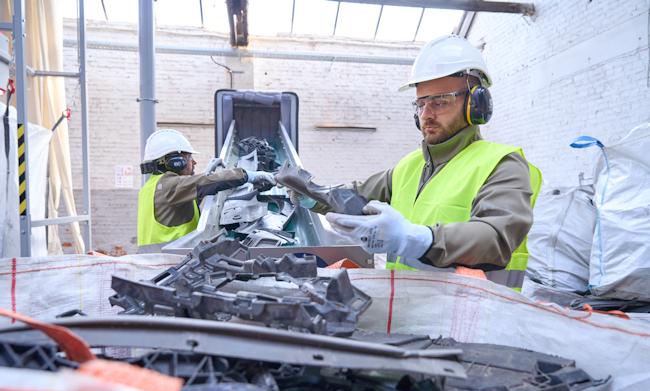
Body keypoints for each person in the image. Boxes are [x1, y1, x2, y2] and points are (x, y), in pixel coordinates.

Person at [293, 35, 541, 289]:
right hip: (406, 314)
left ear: (476, 104)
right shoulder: (410, 166)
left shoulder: (502, 164)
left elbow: (495, 237)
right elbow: (354, 197)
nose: (426, 115)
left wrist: (416, 239)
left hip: (473, 320)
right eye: (421, 103)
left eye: (440, 102)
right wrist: (309, 193)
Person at [137, 129, 275, 252]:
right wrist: (248, 175)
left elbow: (190, 198)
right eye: (189, 157)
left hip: (154, 259)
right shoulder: (168, 185)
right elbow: (201, 183)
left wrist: (208, 172)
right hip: (170, 259)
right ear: (176, 161)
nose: (194, 162)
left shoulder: (151, 186)